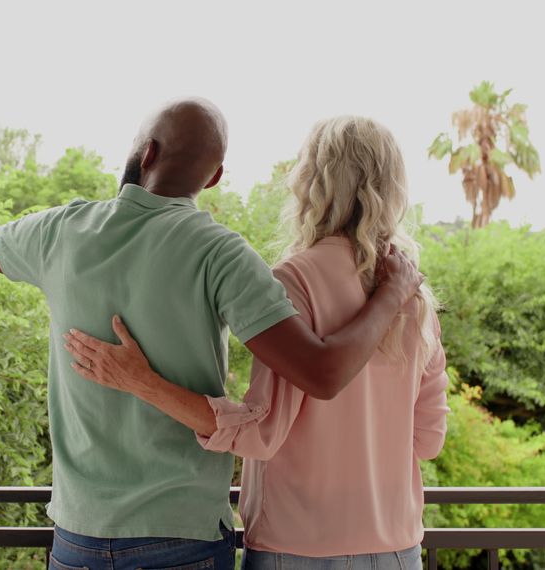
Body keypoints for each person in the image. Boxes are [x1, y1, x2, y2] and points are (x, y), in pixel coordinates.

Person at [0, 101, 425, 570]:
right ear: (216, 177)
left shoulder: (60, 231)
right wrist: (392, 292)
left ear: (146, 152)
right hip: (185, 535)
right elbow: (321, 370)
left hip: (80, 532)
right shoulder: (222, 254)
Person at [65, 116, 448, 570]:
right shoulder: (411, 292)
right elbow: (427, 439)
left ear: (312, 181)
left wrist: (144, 382)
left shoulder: (296, 280)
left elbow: (261, 435)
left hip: (296, 548)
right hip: (397, 549)